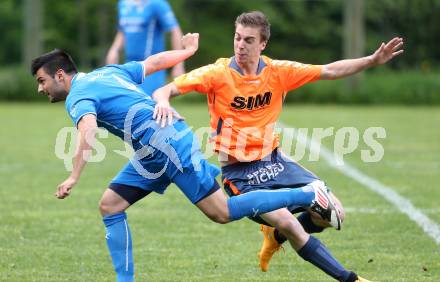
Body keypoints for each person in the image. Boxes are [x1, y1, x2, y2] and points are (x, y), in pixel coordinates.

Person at [31, 33, 339, 282]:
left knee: (222, 212)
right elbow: (153, 63)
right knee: (110, 205)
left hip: (168, 147)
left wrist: (73, 176)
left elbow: (87, 130)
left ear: (60, 74)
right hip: (152, 152)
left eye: (42, 81)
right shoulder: (105, 74)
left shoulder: (77, 96)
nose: (40, 88)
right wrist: (187, 52)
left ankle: (307, 193)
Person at [153, 11, 404, 282]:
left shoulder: (279, 72)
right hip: (240, 174)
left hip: (275, 162)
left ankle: (275, 236)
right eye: (237, 38)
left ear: (263, 44)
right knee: (290, 223)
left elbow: (329, 70)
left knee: (332, 214)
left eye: (249, 40)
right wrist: (164, 102)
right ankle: (350, 279)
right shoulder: (218, 73)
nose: (240, 45)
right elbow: (165, 90)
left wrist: (372, 60)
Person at [106, 0, 185, 96]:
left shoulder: (157, 4)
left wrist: (179, 64)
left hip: (152, 66)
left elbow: (175, 30)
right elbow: (122, 31)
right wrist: (114, 50)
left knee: (151, 104)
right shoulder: (123, 4)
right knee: (128, 104)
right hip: (130, 66)